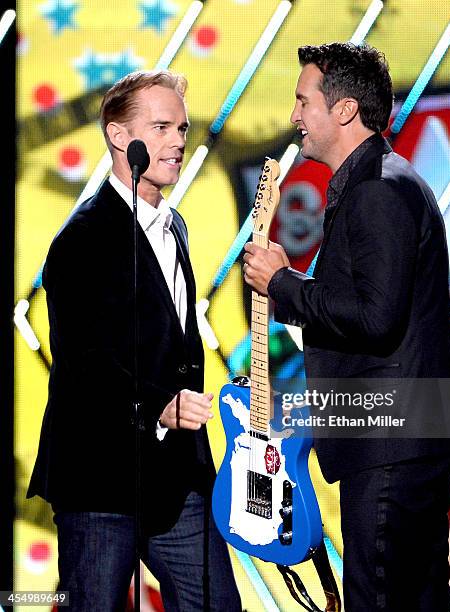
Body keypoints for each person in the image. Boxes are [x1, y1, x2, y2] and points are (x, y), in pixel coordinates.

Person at [243, 42, 450, 610]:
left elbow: (375, 317)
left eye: (304, 102)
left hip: (394, 437)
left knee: (380, 599)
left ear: (345, 109)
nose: (295, 116)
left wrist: (283, 283)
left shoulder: (378, 189)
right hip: (402, 432)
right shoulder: (375, 183)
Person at [27, 70, 241, 612]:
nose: (177, 141)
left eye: (183, 128)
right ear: (119, 136)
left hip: (177, 475)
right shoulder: (83, 239)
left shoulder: (177, 227)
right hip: (100, 476)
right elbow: (84, 364)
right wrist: (157, 408)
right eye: (162, 127)